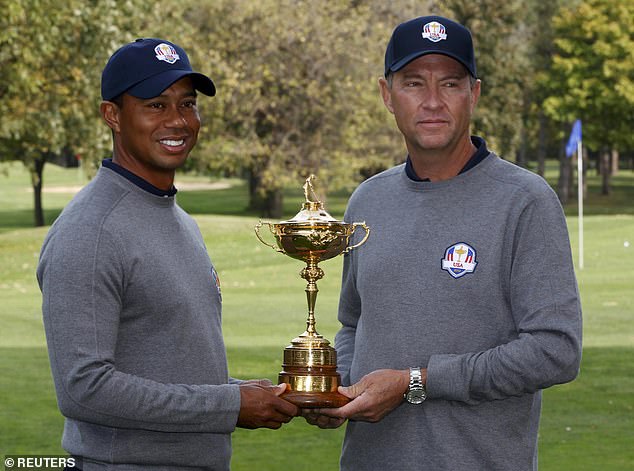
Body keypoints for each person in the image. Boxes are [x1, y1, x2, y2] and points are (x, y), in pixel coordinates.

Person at [304, 15, 583, 470]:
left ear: (473, 94)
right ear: (386, 94)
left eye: (450, 84)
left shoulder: (525, 201)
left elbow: (556, 351)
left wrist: (419, 382)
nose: (432, 101)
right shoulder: (367, 200)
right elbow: (354, 324)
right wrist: (343, 390)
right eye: (413, 83)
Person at [37, 38, 298, 471]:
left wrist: (242, 393)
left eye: (188, 104)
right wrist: (228, 404)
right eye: (156, 105)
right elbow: (84, 388)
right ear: (113, 116)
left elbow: (165, 365)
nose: (178, 121)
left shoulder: (177, 219)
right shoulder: (91, 230)